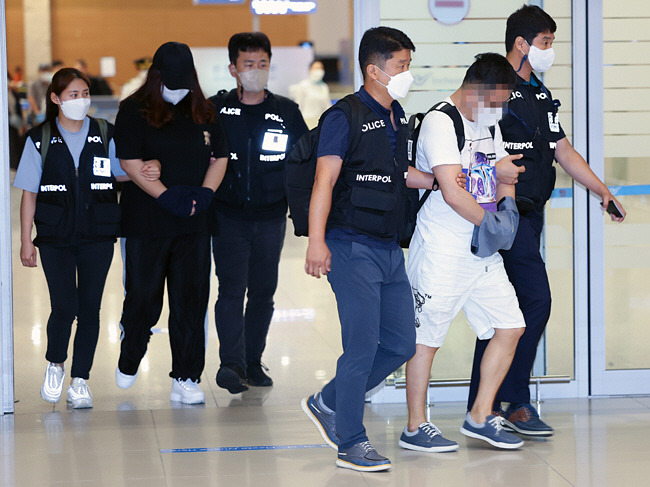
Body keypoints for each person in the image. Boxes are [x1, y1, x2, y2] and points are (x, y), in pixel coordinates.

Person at [467, 5, 626, 437]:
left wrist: (602, 189)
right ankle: (510, 401)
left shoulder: (540, 93)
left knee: (505, 308)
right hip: (501, 215)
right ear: (522, 44)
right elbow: (471, 140)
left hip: (529, 215)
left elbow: (564, 151)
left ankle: (488, 403)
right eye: (546, 42)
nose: (550, 50)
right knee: (534, 301)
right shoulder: (494, 85)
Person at [301, 26, 443, 472]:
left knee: (400, 342)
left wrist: (442, 179)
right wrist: (317, 241)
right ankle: (351, 441)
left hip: (386, 246)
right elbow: (324, 181)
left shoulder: (398, 115)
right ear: (374, 70)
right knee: (361, 345)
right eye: (402, 66)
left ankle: (328, 400)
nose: (408, 74)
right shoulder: (343, 116)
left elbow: (397, 172)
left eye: (408, 65)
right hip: (349, 243)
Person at [401, 53, 527, 452]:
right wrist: (492, 216)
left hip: (481, 250)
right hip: (442, 249)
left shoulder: (487, 122)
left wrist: (505, 209)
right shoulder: (442, 121)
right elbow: (452, 191)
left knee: (511, 325)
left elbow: (504, 170)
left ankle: (480, 415)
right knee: (427, 339)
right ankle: (415, 426)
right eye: (498, 99)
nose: (500, 109)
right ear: (476, 89)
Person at [13, 68, 156, 408]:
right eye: (73, 94)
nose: (81, 100)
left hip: (98, 235)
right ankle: (56, 363)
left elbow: (123, 171)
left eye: (84, 93)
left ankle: (81, 379)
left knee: (90, 309)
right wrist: (26, 239)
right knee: (63, 307)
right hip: (54, 236)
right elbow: (29, 194)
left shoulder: (104, 132)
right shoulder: (39, 138)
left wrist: (147, 168)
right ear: (56, 98)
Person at [113, 41, 229, 405]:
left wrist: (205, 195)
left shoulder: (205, 110)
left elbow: (220, 157)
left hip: (194, 221)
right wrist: (164, 195)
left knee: (190, 301)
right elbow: (130, 162)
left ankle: (186, 376)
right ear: (157, 74)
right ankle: (131, 352)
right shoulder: (133, 110)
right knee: (144, 297)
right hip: (147, 220)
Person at [208, 32, 308, 394]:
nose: (255, 71)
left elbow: (303, 162)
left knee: (263, 292)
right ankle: (230, 363)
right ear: (233, 69)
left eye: (262, 64)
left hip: (270, 217)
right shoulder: (215, 111)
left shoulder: (286, 111)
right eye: (248, 65)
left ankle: (252, 360)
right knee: (231, 290)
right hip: (228, 215)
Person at [289, 59, 331, 129]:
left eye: (321, 68)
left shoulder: (324, 87)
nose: (319, 71)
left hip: (321, 123)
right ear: (310, 70)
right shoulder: (303, 86)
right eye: (316, 68)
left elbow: (327, 106)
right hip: (307, 122)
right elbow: (298, 106)